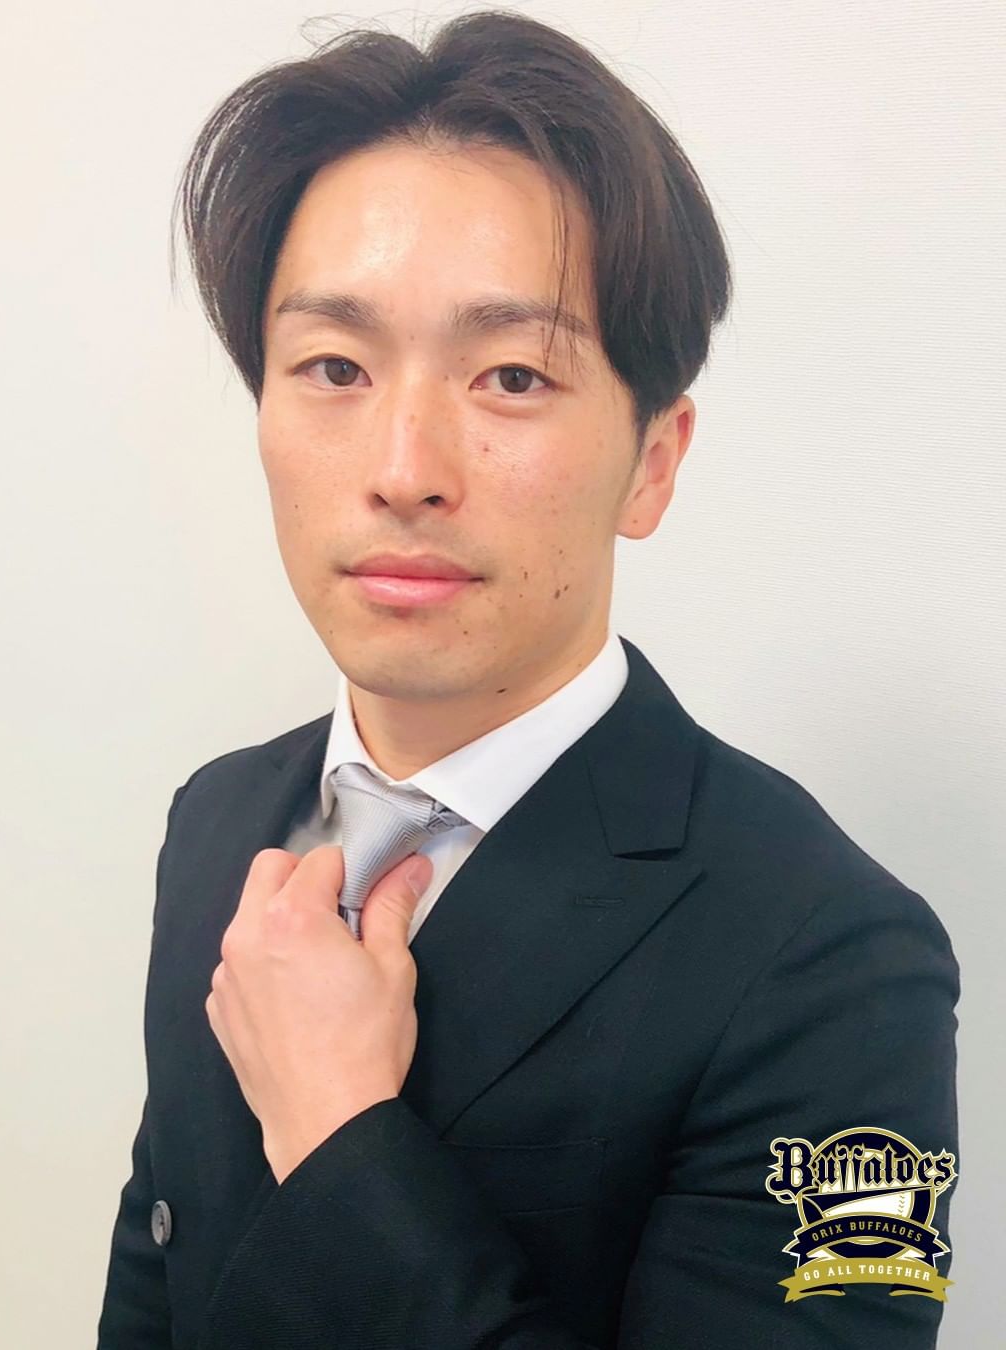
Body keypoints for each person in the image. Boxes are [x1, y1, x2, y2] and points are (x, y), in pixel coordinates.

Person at [96, 11, 959, 1348]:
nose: (403, 468)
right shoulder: (216, 820)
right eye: (334, 366)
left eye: (510, 375)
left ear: (653, 462)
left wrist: (336, 1132)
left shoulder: (841, 963)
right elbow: (157, 1272)